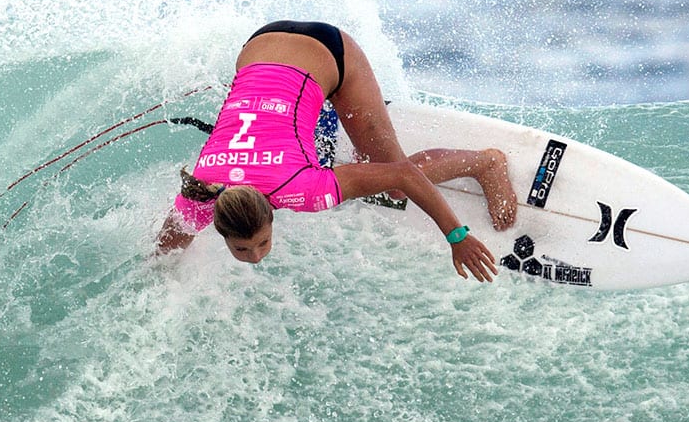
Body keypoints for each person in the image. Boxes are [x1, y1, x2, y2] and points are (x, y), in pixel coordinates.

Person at [155, 21, 517, 282]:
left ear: (272, 212)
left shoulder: (304, 190)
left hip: (332, 51)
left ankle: (486, 162)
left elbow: (405, 175)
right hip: (261, 42)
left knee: (390, 184)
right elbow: (163, 254)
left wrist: (457, 236)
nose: (256, 257)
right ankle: (323, 109)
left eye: (260, 243)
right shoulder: (199, 189)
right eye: (243, 250)